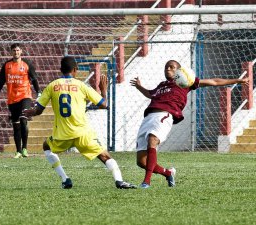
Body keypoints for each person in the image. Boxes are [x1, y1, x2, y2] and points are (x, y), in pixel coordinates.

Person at [130, 59, 249, 189]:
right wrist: (139, 86)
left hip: (165, 115)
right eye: (166, 67)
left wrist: (237, 81)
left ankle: (146, 182)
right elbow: (149, 94)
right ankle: (168, 173)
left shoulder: (186, 82)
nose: (168, 69)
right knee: (141, 162)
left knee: (152, 140)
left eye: (172, 67)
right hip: (148, 118)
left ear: (179, 70)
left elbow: (214, 82)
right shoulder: (161, 85)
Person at [22, 56, 136, 189]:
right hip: (82, 133)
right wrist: (103, 90)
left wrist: (32, 112)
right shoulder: (82, 86)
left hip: (62, 135)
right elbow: (104, 105)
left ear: (61, 70)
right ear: (75, 70)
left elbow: (39, 110)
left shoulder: (52, 86)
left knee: (47, 146)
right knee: (105, 156)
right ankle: (119, 181)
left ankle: (65, 179)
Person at [0, 43, 41, 159]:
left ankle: (25, 148)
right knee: (16, 125)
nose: (16, 52)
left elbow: (34, 79)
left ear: (21, 51)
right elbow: (1, 81)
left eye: (18, 50)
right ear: (11, 52)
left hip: (25, 96)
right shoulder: (7, 65)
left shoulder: (27, 64)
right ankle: (18, 151)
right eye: (14, 50)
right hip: (12, 98)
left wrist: (39, 93)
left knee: (23, 120)